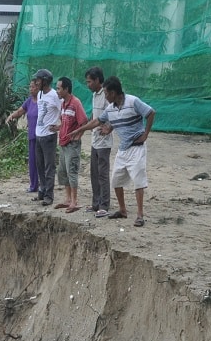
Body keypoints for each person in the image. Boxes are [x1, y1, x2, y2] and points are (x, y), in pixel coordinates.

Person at [69, 76, 155, 227]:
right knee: (116, 180)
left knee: (138, 181)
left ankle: (140, 215)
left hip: (137, 147)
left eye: (107, 93)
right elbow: (97, 121)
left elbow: (150, 113)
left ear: (114, 92)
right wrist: (81, 129)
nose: (106, 96)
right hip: (123, 148)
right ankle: (122, 210)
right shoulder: (111, 109)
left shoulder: (133, 101)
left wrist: (146, 134)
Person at [53, 77, 87, 213]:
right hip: (63, 143)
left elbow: (84, 121)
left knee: (72, 171)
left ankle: (74, 201)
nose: (57, 91)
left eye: (59, 88)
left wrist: (78, 136)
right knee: (63, 171)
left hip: (72, 145)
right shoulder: (63, 104)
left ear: (66, 89)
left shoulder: (75, 103)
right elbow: (65, 122)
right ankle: (67, 199)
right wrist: (57, 128)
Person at [85, 66, 113, 217]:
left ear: (97, 80)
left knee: (102, 174)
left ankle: (104, 205)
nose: (88, 84)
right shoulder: (95, 95)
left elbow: (114, 113)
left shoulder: (106, 95)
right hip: (94, 141)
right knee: (94, 173)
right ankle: (96, 203)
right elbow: (95, 114)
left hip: (104, 142)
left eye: (90, 81)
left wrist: (109, 128)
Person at [32, 69, 61, 207]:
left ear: (45, 81)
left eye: (38, 80)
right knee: (40, 165)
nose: (36, 82)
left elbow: (64, 112)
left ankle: (49, 195)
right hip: (39, 135)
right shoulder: (40, 94)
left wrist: (60, 126)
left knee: (49, 166)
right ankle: (42, 190)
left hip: (49, 136)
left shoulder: (54, 95)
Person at [5, 80, 40, 193]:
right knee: (32, 162)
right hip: (31, 136)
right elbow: (21, 111)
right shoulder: (29, 101)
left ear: (38, 88)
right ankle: (33, 185)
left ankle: (42, 186)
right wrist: (11, 116)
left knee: (40, 162)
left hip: (41, 137)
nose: (31, 89)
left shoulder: (42, 102)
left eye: (33, 87)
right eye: (30, 87)